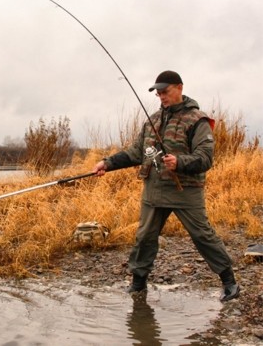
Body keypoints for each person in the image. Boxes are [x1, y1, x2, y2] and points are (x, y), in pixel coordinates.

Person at [93, 70, 240, 302]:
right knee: (144, 237)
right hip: (154, 190)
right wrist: (107, 163)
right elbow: (135, 152)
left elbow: (205, 157)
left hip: (186, 191)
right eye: (159, 93)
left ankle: (229, 281)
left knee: (202, 235)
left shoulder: (197, 120)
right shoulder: (152, 121)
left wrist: (179, 162)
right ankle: (138, 284)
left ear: (179, 88)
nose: (162, 96)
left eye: (165, 91)